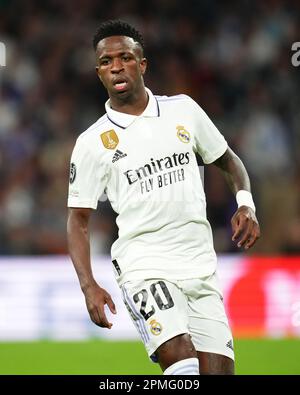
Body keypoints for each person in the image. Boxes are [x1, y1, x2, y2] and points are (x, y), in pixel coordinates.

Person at [67, 20, 260, 375]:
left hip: (200, 266)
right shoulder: (92, 142)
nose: (116, 67)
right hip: (145, 266)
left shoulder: (182, 110)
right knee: (183, 363)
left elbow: (229, 161)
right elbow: (78, 219)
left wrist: (245, 202)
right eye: (107, 62)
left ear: (142, 64)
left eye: (125, 57)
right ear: (99, 73)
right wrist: (88, 285)